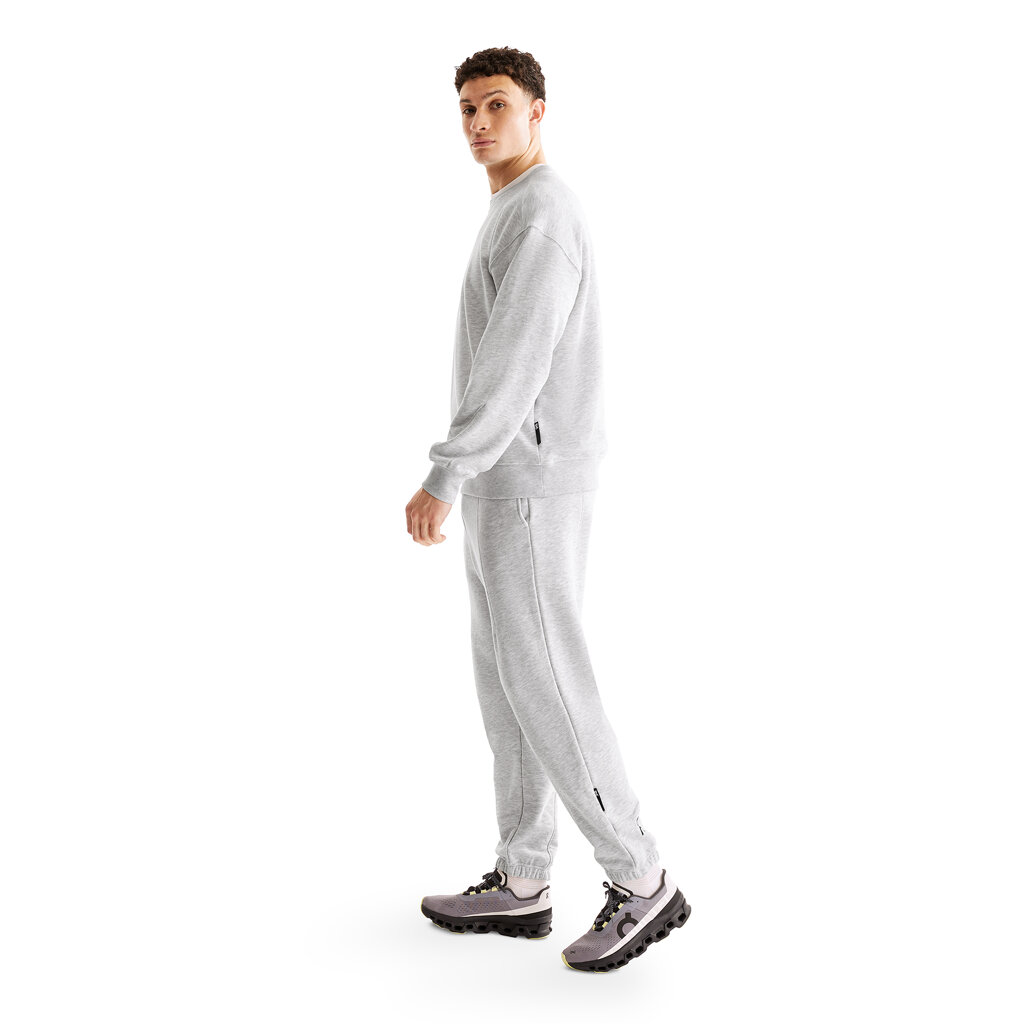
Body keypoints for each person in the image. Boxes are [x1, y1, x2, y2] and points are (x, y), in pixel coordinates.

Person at [405, 46, 691, 973]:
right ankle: (525, 876)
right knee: (509, 683)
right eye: (466, 109)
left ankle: (641, 877)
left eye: (496, 104)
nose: (478, 123)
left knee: (551, 682)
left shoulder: (542, 215)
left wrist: (445, 472)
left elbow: (515, 359)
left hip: (528, 482)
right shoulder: (511, 209)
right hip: (507, 481)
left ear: (537, 111)